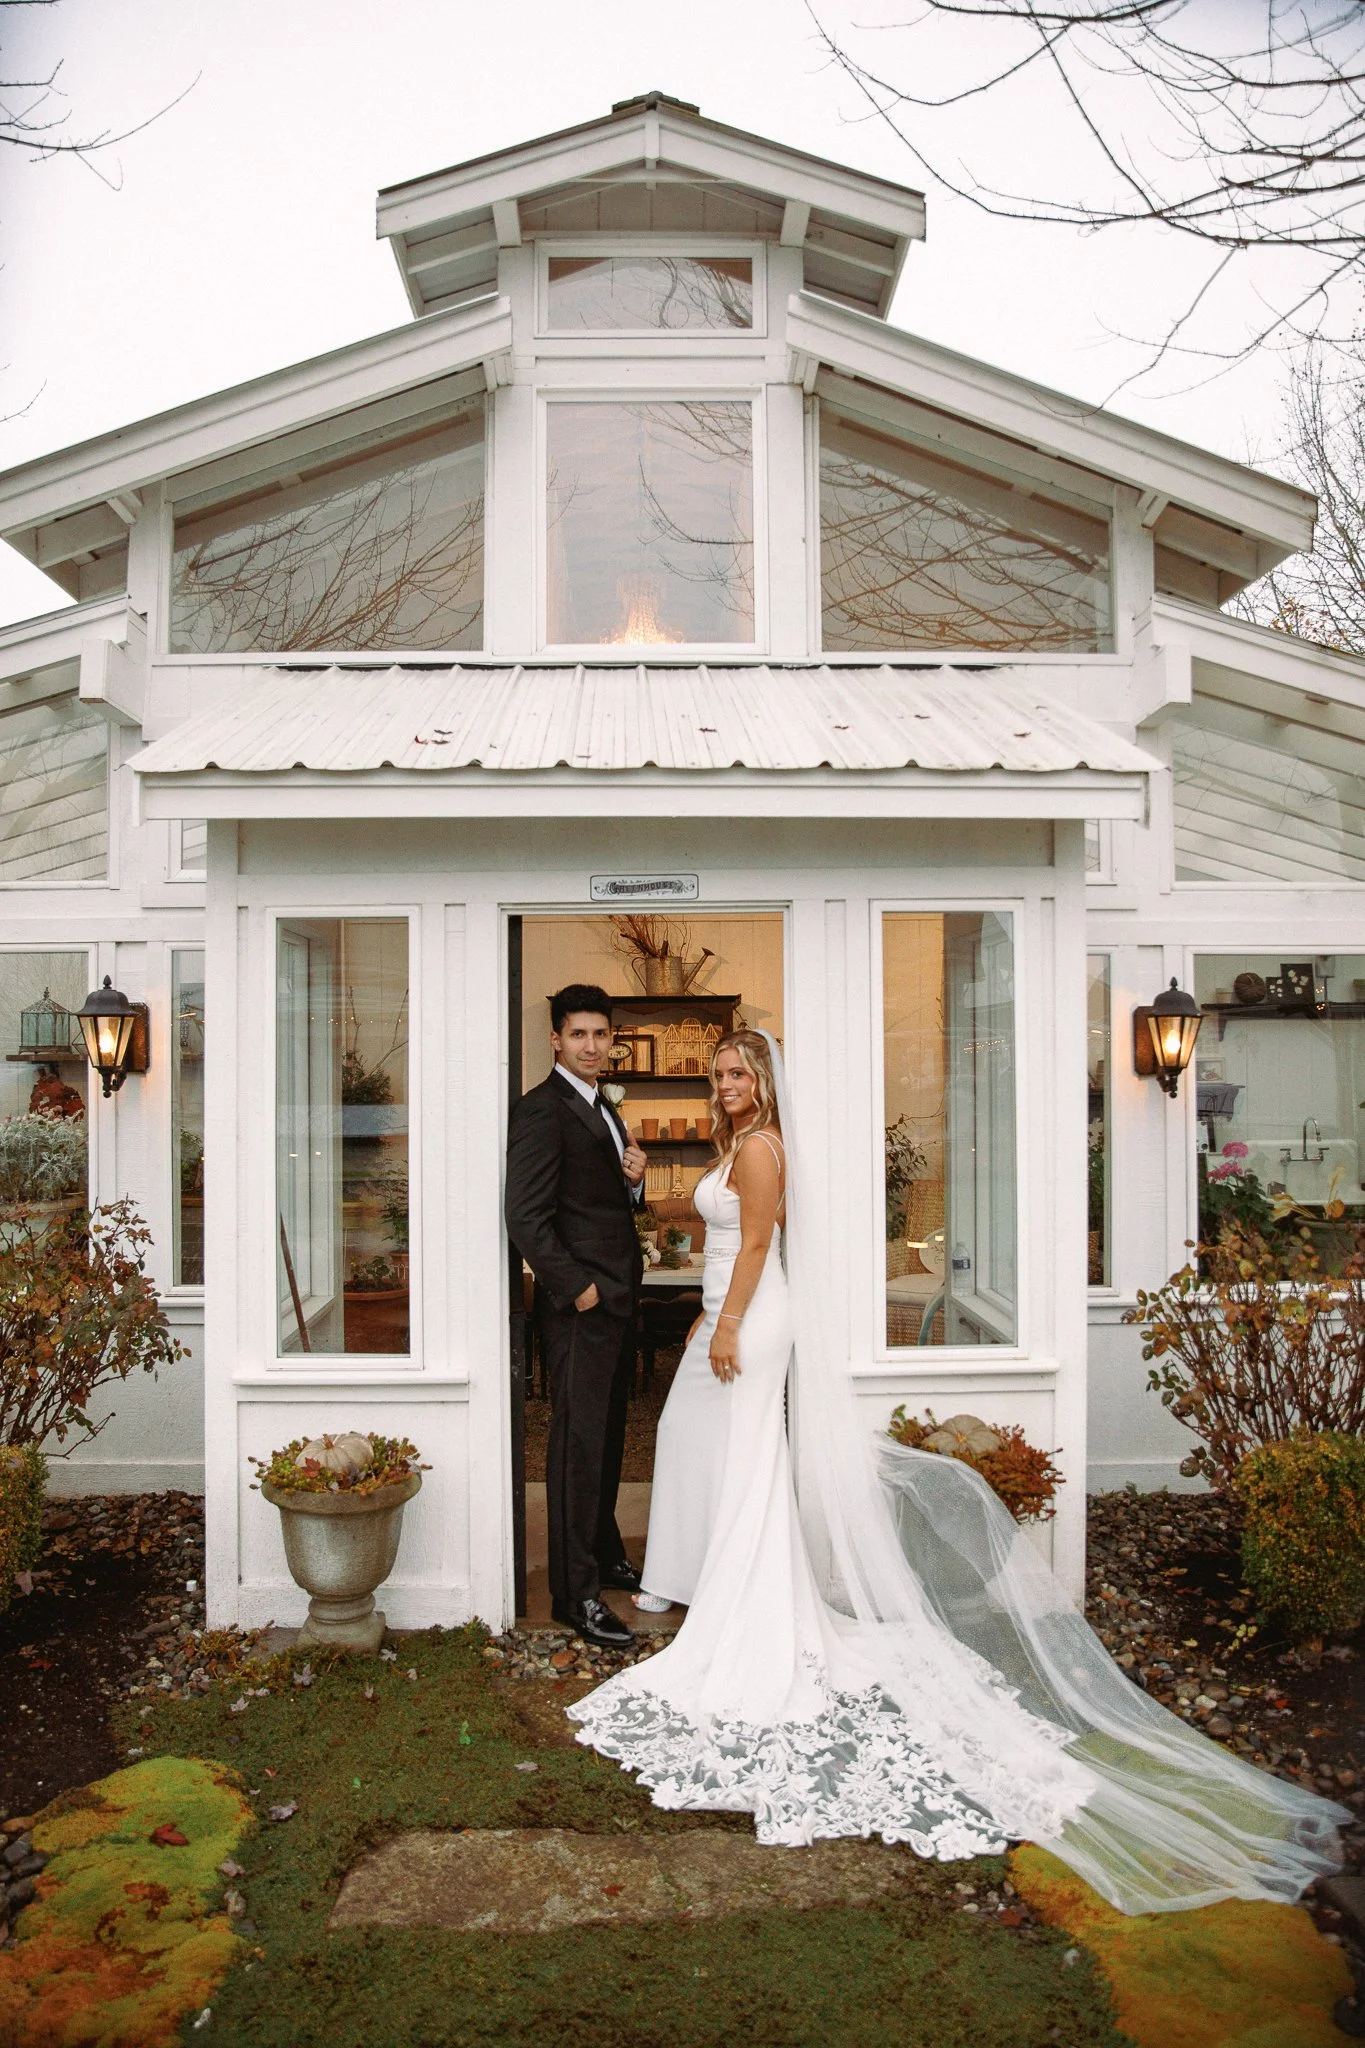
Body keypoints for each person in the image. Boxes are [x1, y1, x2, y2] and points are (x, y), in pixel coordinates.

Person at [570, 1029, 1347, 1914]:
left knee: (736, 1449)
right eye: (719, 1074)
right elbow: (701, 1219)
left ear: (765, 1083)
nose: (727, 1085)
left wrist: (730, 1326)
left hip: (746, 1313)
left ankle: (717, 1584)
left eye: (738, 1073)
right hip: (726, 1308)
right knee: (692, 1439)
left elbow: (751, 1246)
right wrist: (643, 1191)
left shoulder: (759, 1148)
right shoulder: (728, 1148)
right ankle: (688, 1574)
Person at [505, 984, 647, 1651]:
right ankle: (575, 1594)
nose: (592, 1046)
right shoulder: (541, 1109)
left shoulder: (601, 1105)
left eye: (601, 1035)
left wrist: (635, 1179)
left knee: (610, 1433)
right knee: (576, 1447)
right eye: (579, 1035)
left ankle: (604, 1551)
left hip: (617, 1300)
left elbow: (600, 1197)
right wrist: (576, 1289)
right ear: (555, 1040)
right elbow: (525, 1216)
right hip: (583, 1307)